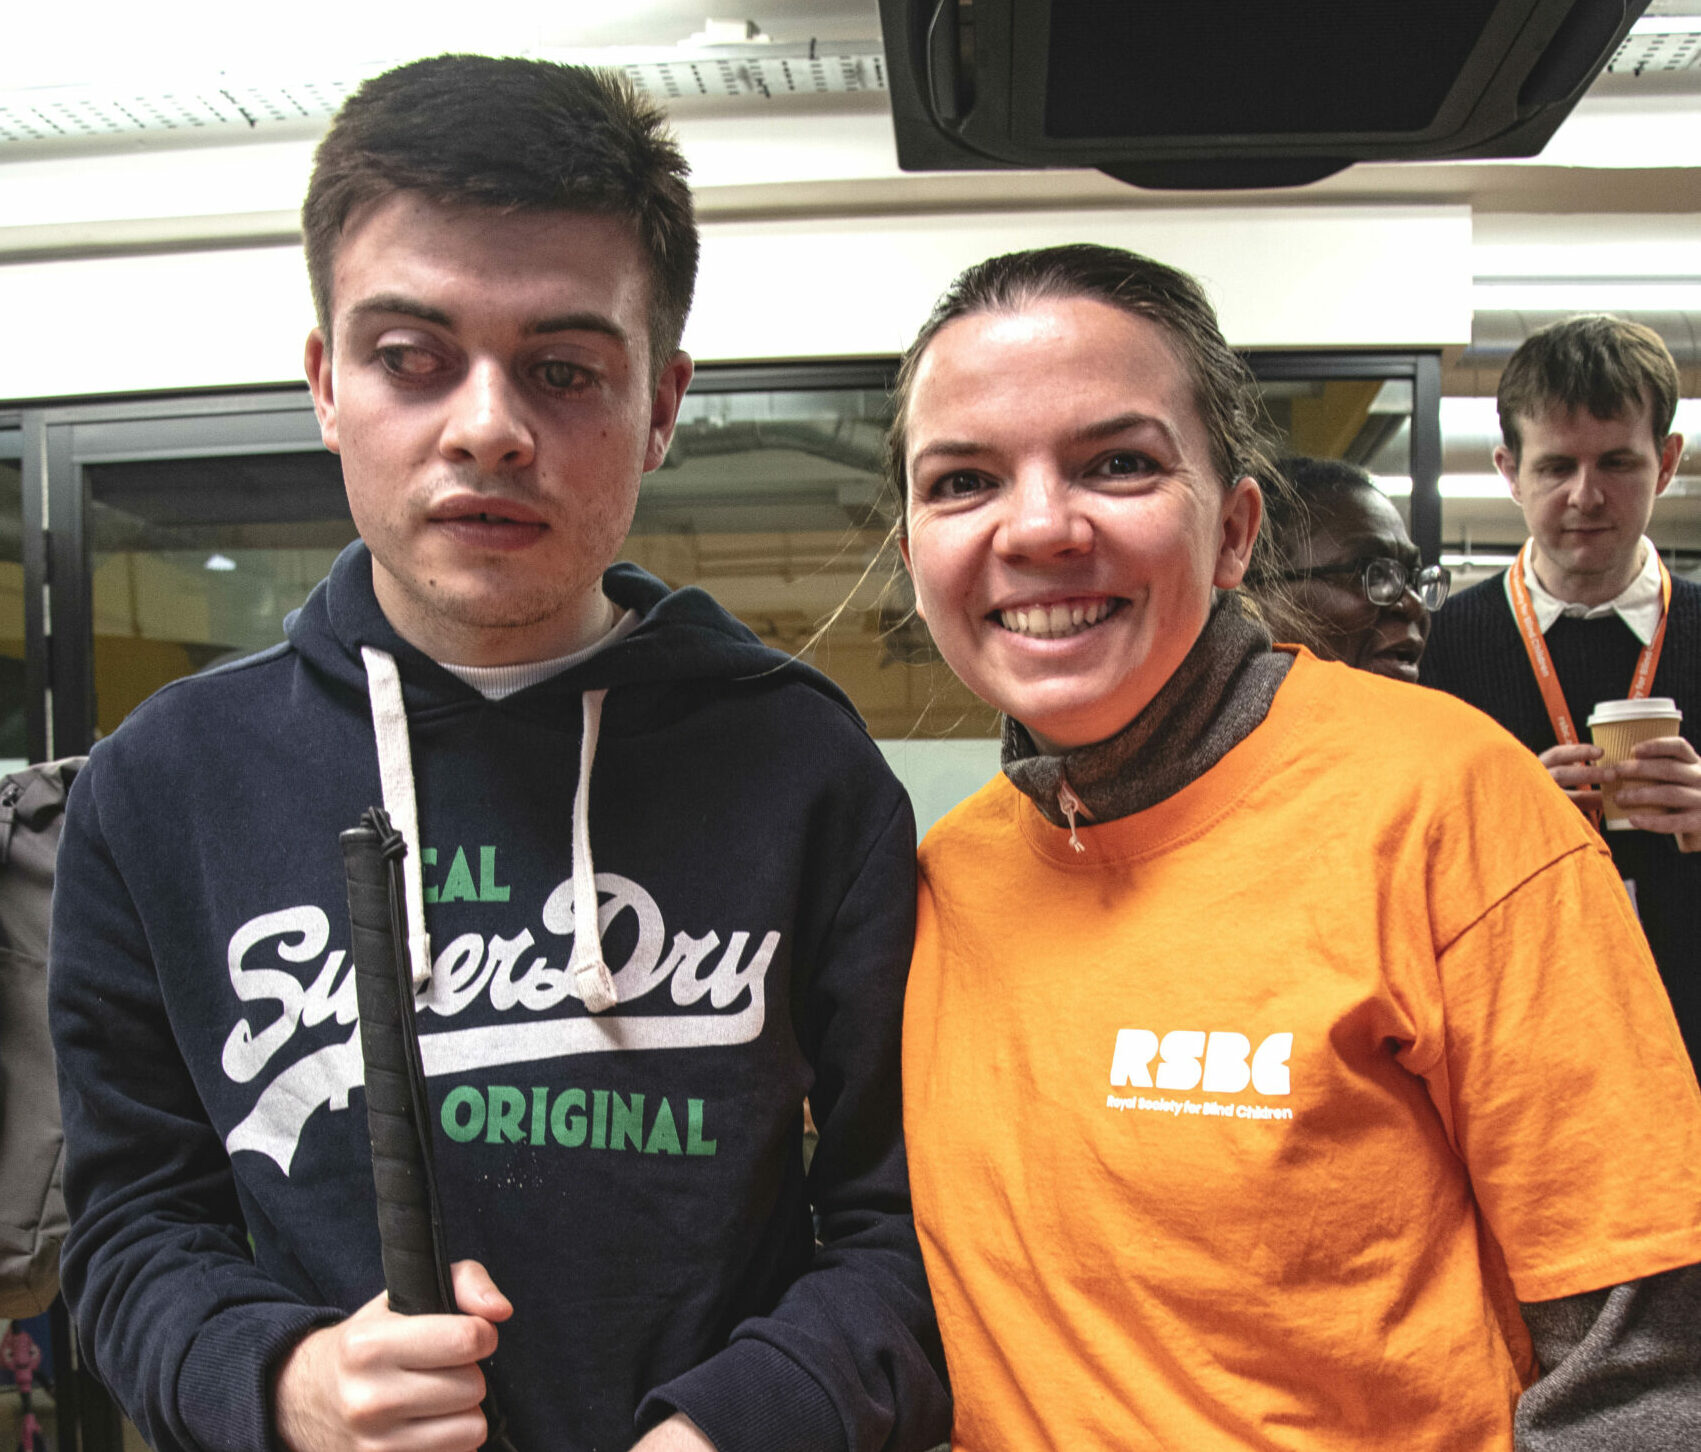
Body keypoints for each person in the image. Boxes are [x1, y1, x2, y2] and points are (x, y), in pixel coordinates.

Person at [48, 56, 949, 1452]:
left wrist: (742, 1422)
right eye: (411, 358)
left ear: (662, 405)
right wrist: (286, 1383)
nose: (486, 426)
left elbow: (909, 1230)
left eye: (563, 370)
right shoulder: (160, 786)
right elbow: (129, 1233)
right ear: (325, 383)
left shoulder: (801, 766)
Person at [890, 244, 1701, 1449]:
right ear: (913, 550)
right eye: (963, 481)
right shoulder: (940, 883)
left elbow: (1641, 1376)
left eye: (1118, 463)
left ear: (1233, 533)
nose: (1040, 528)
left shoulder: (1451, 805)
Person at [1420, 315, 1699, 1063]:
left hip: (1686, 1015)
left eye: (1617, 462)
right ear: (1508, 470)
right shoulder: (1446, 639)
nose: (1586, 496)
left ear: (1666, 462)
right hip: (1522, 1024)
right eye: (1554, 468)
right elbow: (1419, 856)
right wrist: (1508, 811)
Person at [1248, 454, 1446, 680]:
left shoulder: (1450, 714)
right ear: (1254, 594)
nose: (1415, 604)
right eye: (1372, 575)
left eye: (1413, 579)